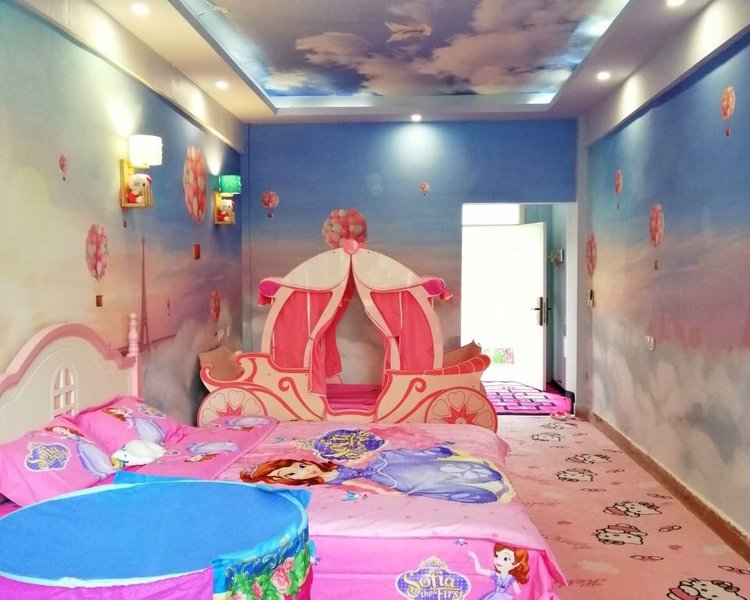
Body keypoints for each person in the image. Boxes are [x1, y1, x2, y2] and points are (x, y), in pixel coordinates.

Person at [240, 445, 511, 504]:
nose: (304, 468)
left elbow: (352, 465)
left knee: (418, 464)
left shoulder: (325, 469)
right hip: (382, 478)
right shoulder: (324, 481)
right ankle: (476, 488)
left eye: (298, 465)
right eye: (294, 473)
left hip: (380, 467)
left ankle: (473, 472)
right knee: (422, 479)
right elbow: (358, 483)